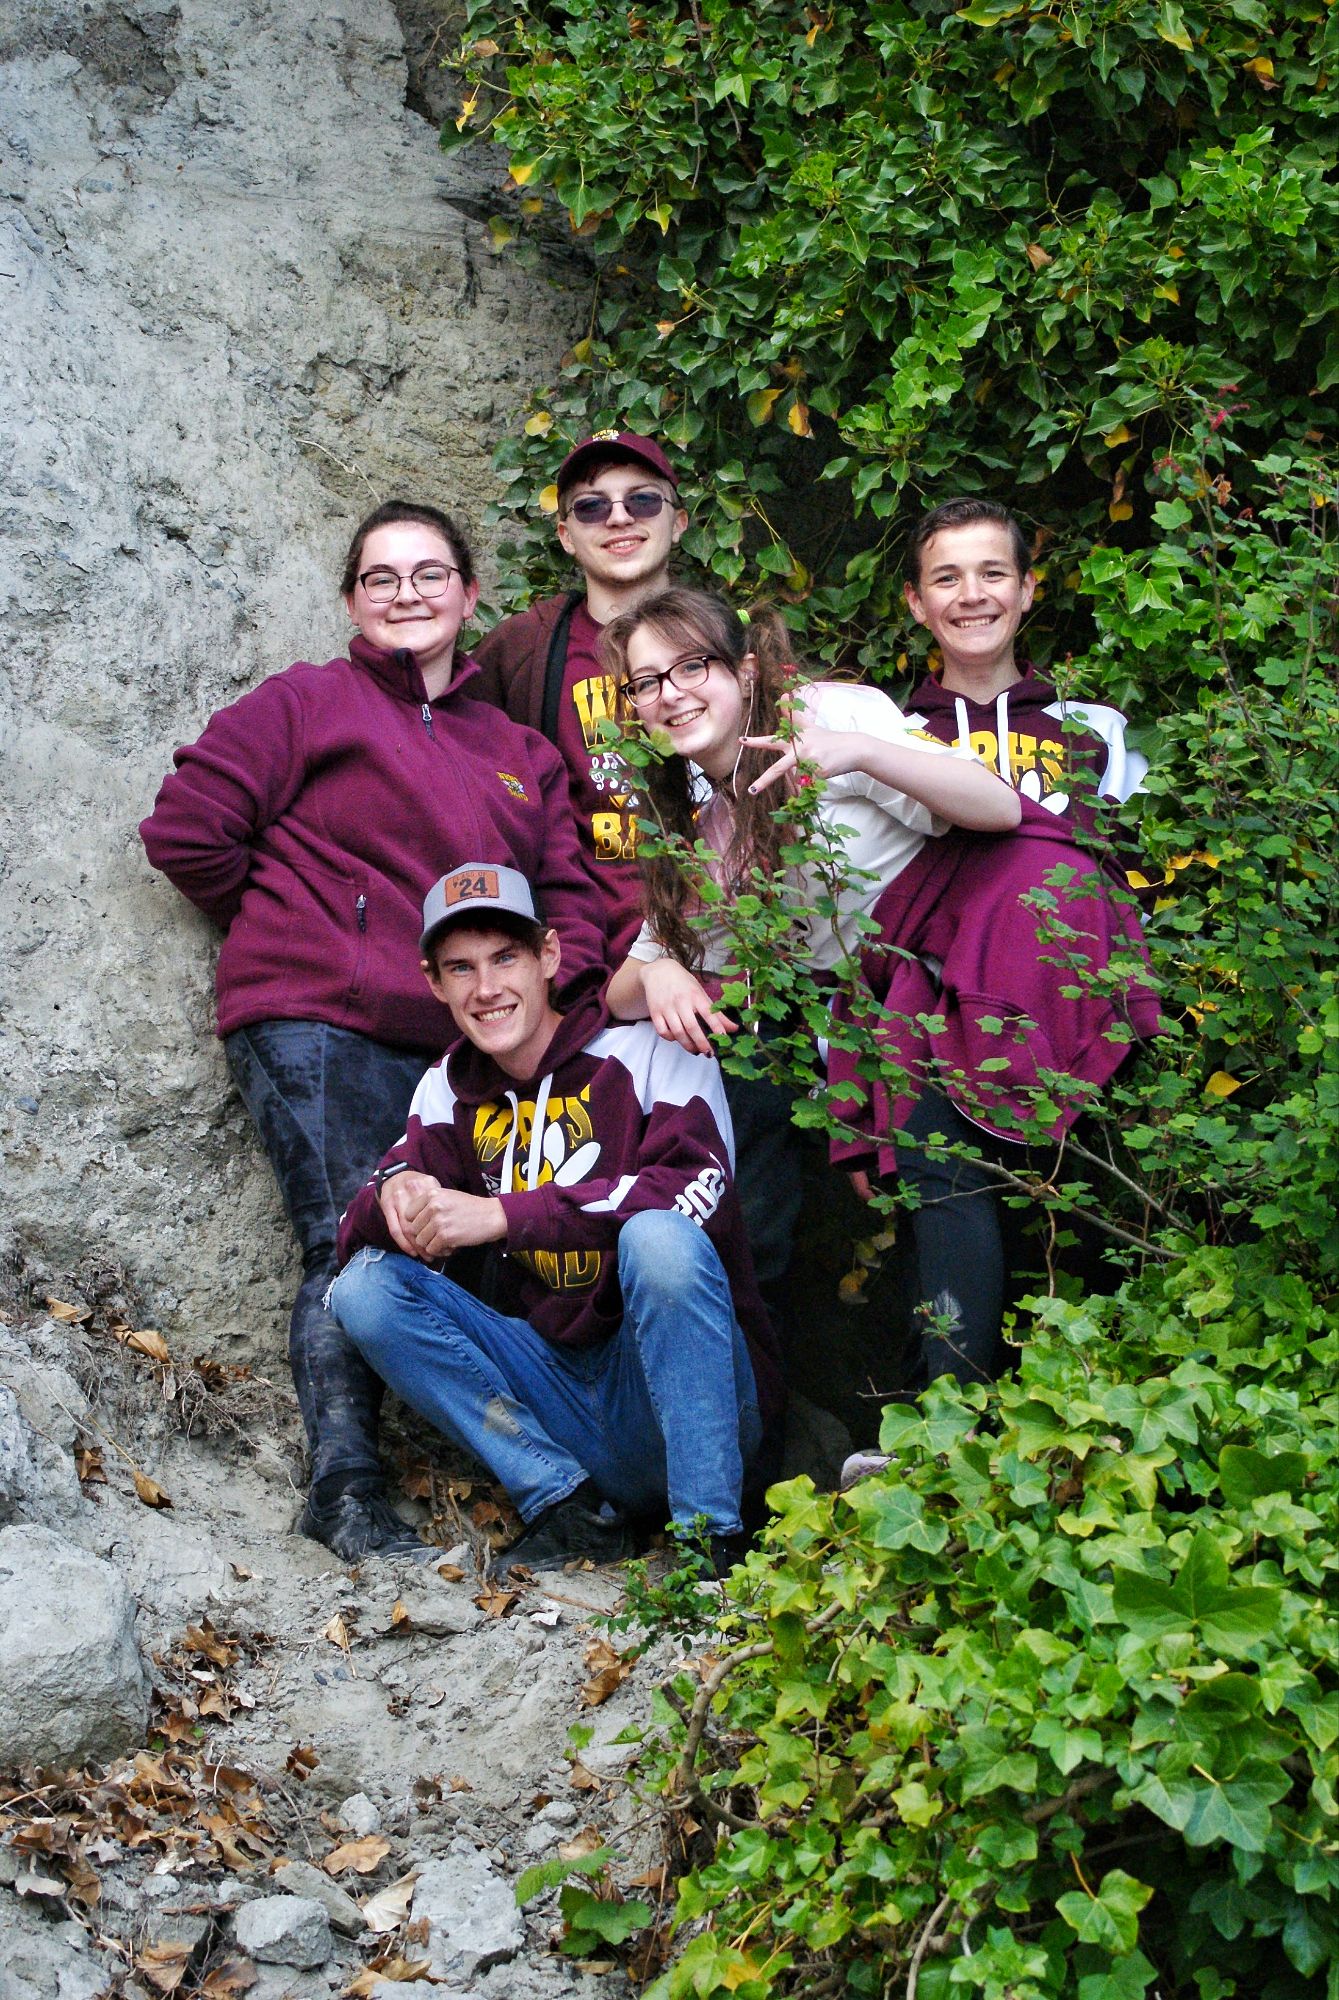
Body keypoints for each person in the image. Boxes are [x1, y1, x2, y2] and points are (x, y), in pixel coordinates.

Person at [139, 501, 608, 1564]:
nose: (407, 594)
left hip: (466, 1046)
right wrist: (310, 921)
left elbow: (568, 902)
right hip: (320, 1019)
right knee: (350, 1236)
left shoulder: (519, 751)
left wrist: (541, 994)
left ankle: (546, 1481)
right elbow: (188, 829)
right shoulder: (307, 702)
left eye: (430, 573)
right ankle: (345, 1489)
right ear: (352, 599)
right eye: (381, 577)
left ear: (469, 594)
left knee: (477, 1246)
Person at [601, 587, 1028, 1387]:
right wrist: (660, 967)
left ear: (744, 670)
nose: (671, 693)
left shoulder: (825, 716)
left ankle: (953, 1421)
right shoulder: (714, 839)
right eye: (647, 681)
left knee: (936, 1159)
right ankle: (938, 1411)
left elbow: (998, 808)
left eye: (691, 666)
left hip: (995, 958)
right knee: (919, 1182)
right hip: (890, 1021)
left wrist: (858, 753)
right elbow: (621, 992)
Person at [329, 864, 781, 1579]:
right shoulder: (448, 1085)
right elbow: (351, 1238)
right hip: (561, 1400)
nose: (486, 988)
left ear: (548, 955)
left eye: (505, 957)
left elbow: (690, 1194)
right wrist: (395, 1193)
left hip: (686, 1404)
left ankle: (710, 1542)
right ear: (434, 984)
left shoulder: (649, 1043)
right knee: (365, 1288)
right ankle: (567, 1507)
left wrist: (503, 1216)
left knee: (658, 1239)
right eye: (461, 968)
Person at [471, 431, 689, 961]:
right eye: (592, 507)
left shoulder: (725, 644)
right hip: (576, 958)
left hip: (724, 946)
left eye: (643, 500)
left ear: (679, 521)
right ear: (567, 536)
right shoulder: (522, 649)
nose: (619, 518)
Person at [903, 497, 1147, 823]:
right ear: (916, 602)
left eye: (993, 573)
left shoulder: (1103, 730)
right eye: (947, 578)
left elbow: (1140, 850)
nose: (972, 595)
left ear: (1026, 589)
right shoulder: (894, 742)